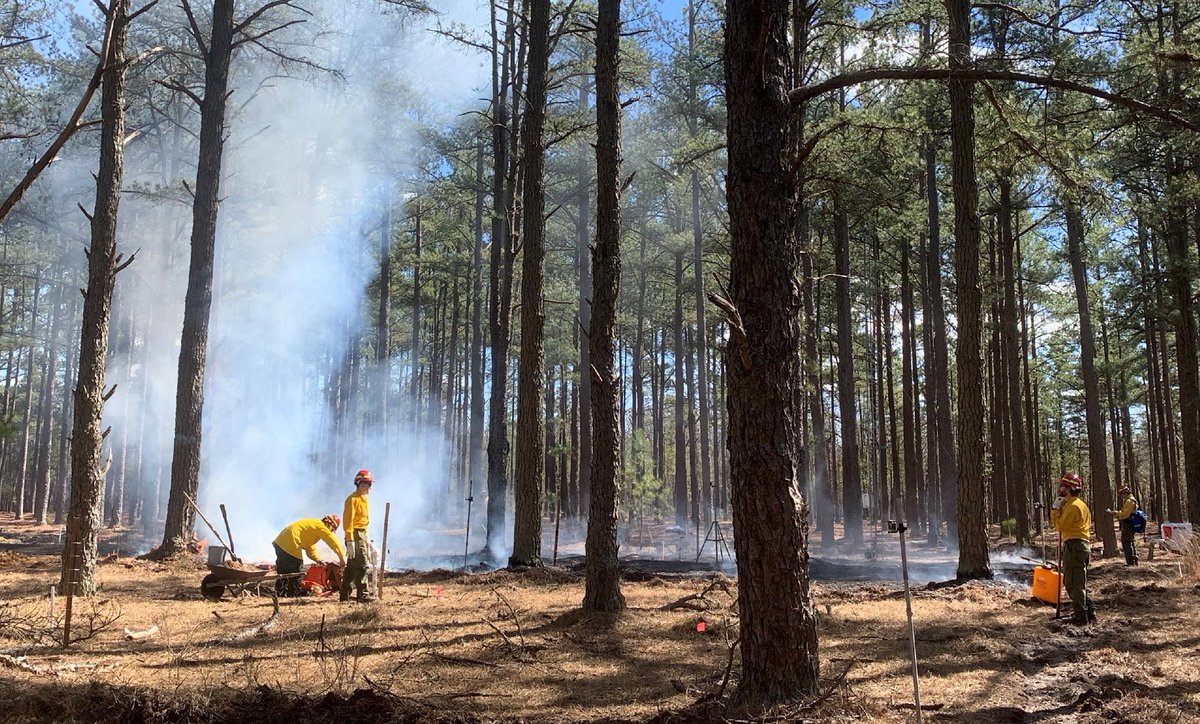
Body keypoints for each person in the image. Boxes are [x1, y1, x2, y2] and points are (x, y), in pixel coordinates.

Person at [1051, 471, 1096, 625]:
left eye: (1063, 486)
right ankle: (1089, 612)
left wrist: (1055, 510)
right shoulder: (1079, 504)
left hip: (1074, 546)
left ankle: (1081, 617)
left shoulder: (1072, 507)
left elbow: (1060, 526)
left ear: (1069, 488)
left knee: (1072, 583)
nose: (1060, 489)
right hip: (1080, 546)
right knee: (1077, 582)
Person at [272, 515, 346, 597]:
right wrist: (341, 558)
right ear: (330, 524)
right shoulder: (321, 527)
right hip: (292, 542)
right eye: (332, 530)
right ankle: (294, 594)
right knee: (297, 572)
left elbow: (309, 548)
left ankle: (280, 593)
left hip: (280, 543)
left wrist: (318, 560)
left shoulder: (313, 525)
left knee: (283, 571)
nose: (331, 532)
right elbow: (333, 541)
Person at [340, 469, 374, 603]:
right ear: (360, 484)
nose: (369, 487)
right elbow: (348, 521)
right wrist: (350, 541)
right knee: (363, 565)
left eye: (370, 484)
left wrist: (366, 536)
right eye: (367, 484)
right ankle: (363, 594)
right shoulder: (352, 499)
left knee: (352, 566)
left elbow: (364, 521)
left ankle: (344, 594)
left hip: (362, 533)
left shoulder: (364, 499)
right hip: (355, 534)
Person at [1107, 485, 1139, 566]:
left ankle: (1130, 562)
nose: (1121, 496)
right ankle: (1133, 560)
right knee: (1130, 541)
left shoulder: (1129, 501)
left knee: (1126, 542)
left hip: (1128, 524)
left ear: (1125, 493)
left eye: (1121, 494)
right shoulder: (1130, 500)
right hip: (1130, 523)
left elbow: (1125, 514)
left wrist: (1115, 513)